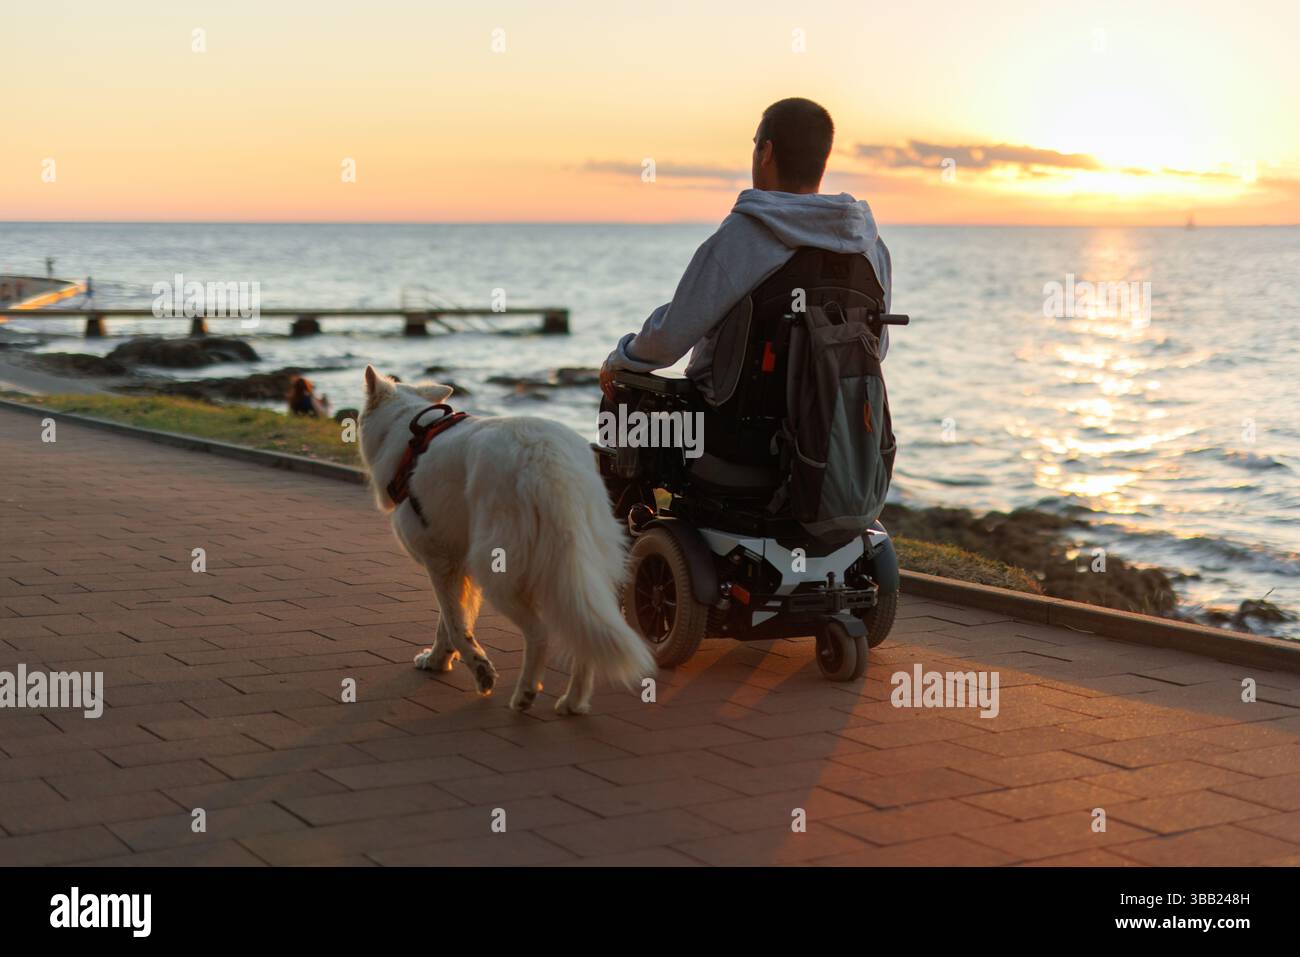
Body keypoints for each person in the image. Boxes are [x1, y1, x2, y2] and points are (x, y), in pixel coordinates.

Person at [599, 97, 892, 404]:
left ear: (766, 152)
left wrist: (619, 359)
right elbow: (878, 349)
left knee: (619, 402)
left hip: (734, 434)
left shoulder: (744, 236)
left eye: (755, 145)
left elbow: (669, 338)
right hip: (836, 427)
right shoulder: (870, 246)